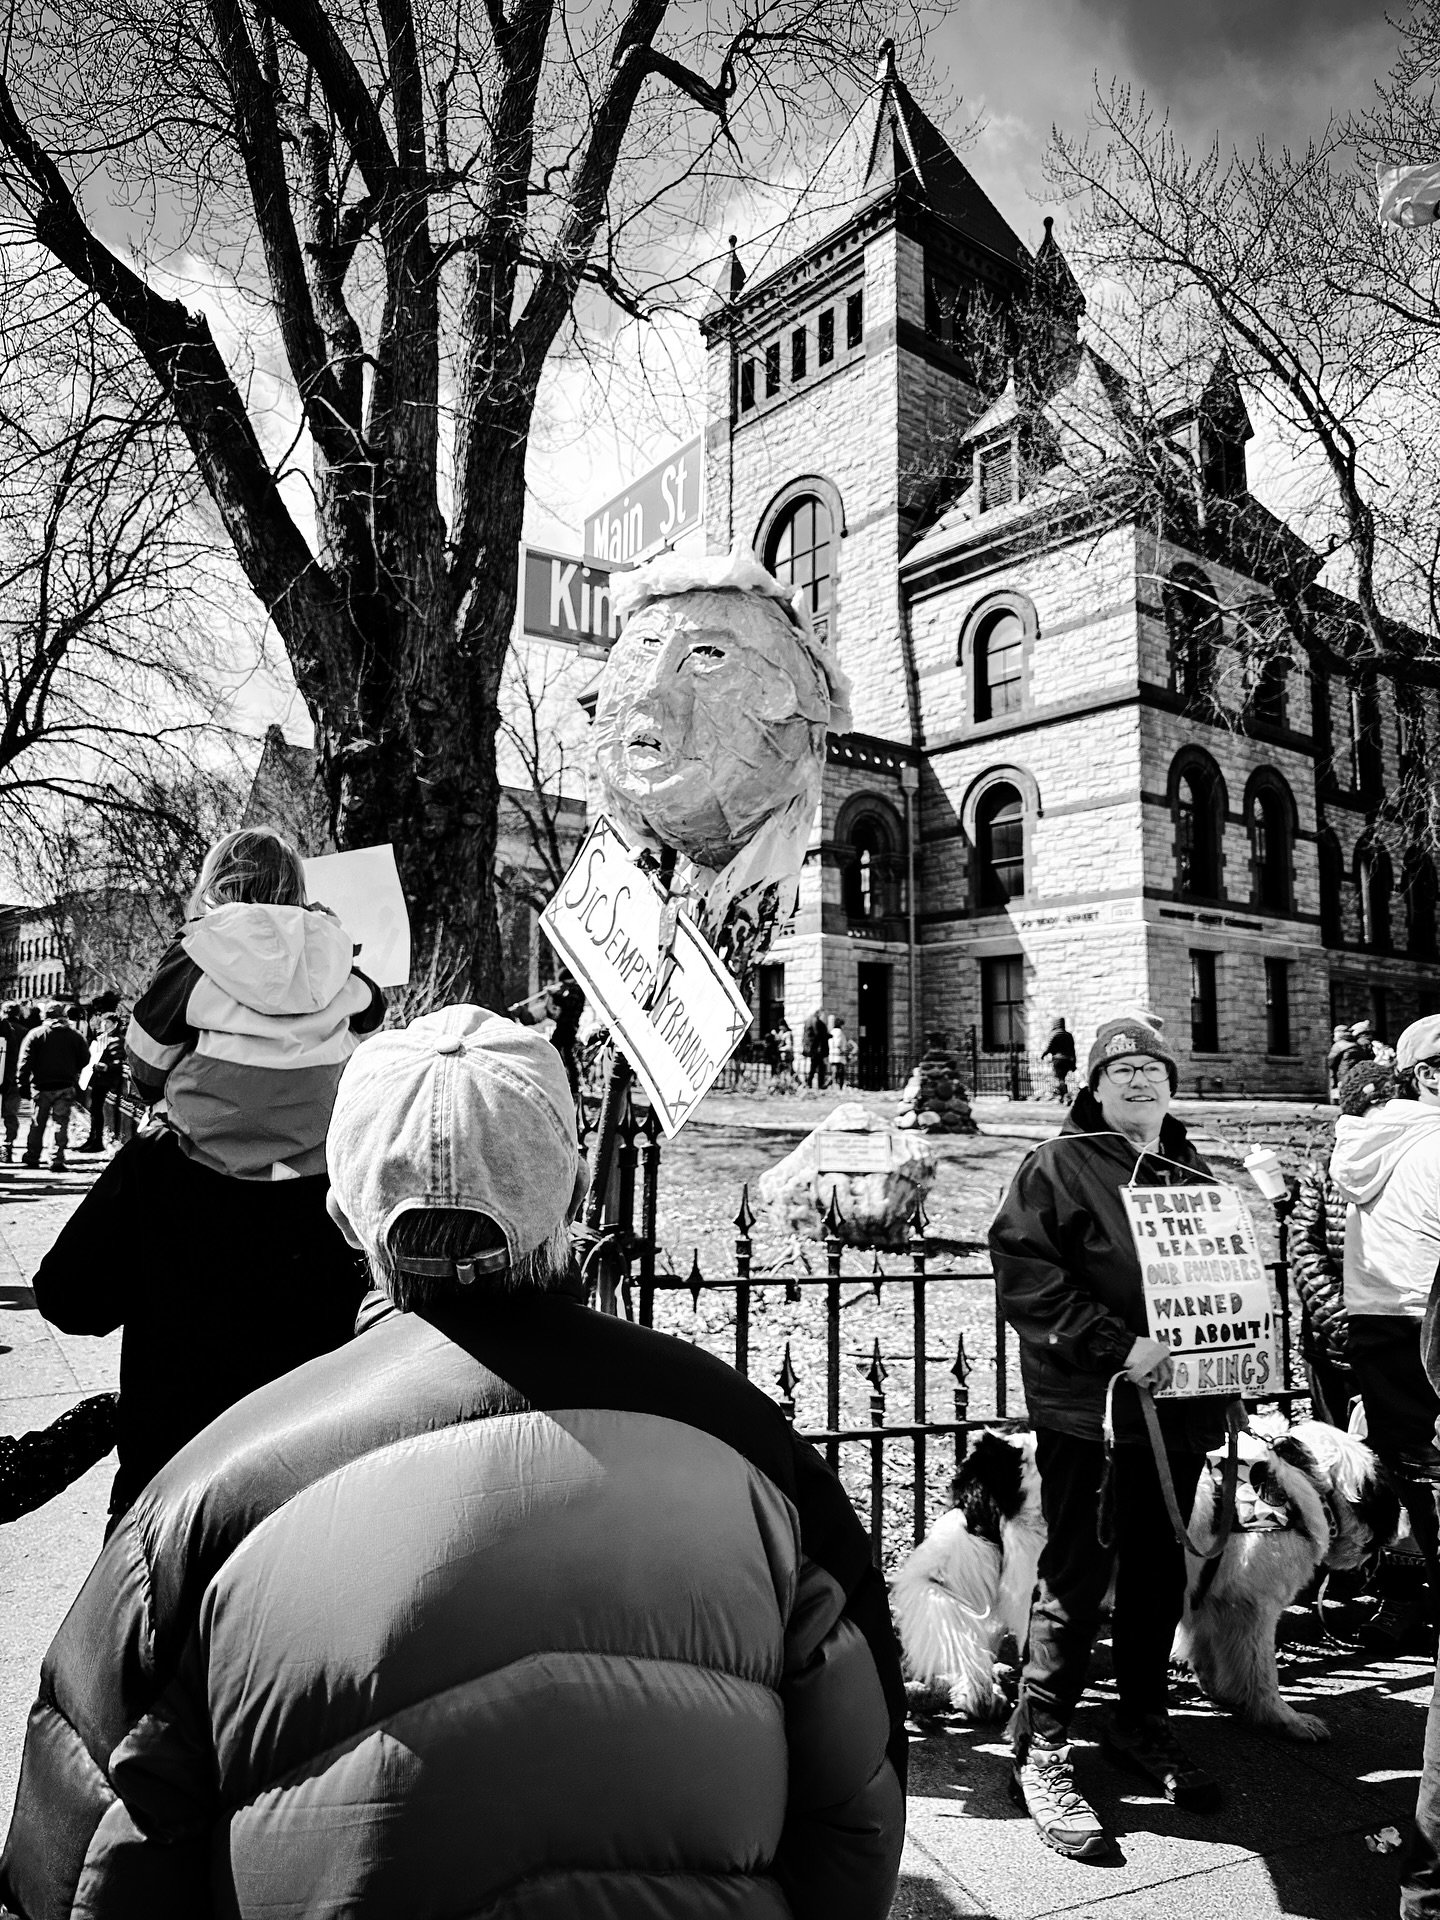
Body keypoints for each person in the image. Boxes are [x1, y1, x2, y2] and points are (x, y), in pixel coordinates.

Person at [0, 1005, 907, 1917]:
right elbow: (858, 1804)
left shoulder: (214, 1492)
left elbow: (86, 1863)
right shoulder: (755, 1449)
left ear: (344, 1214)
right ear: (567, 1190)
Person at [991, 1016, 1236, 1861]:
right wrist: (1114, 1344)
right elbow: (1028, 1278)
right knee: (1078, 1573)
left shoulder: (1187, 1168)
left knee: (1160, 1570)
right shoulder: (1057, 1167)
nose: (1139, 1080)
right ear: (1091, 1088)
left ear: (1174, 1083)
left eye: (1152, 1068)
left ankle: (1141, 1723)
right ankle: (1042, 1743)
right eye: (1119, 1069)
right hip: (1088, 1416)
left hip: (1175, 1414)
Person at [126, 826, 384, 1179]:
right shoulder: (334, 951)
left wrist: (152, 1094)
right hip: (317, 1145)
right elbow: (373, 1018)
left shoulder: (195, 951)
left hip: (208, 1143)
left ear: (215, 881)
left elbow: (146, 1056)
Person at [1330, 1018, 1440, 1651]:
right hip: (1430, 1321)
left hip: (1382, 1319)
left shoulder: (1375, 1138)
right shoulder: (1430, 1142)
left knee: (1411, 1477)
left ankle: (1407, 1599)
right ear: (1426, 1076)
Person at [16, 1003, 89, 1171]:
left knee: (37, 1123)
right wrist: (72, 1068)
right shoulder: (74, 1036)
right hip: (65, 1084)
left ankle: (33, 1156)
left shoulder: (36, 1034)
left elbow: (25, 1062)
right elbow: (85, 1058)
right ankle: (57, 1159)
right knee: (61, 1123)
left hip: (41, 1086)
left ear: (45, 1015)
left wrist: (23, 1083)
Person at [74, 1013, 125, 1155]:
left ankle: (96, 1141)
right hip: (97, 1079)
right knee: (94, 1111)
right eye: (103, 1022)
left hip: (106, 1081)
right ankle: (93, 1139)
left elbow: (119, 1062)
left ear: (115, 1024)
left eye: (107, 1022)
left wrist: (107, 1066)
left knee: (97, 1111)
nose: (103, 1025)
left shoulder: (116, 1040)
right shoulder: (102, 1039)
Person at [543, 966, 585, 1113]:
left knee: (560, 1053)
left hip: (568, 1027)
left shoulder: (576, 990)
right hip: (564, 1026)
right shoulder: (572, 990)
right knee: (563, 1053)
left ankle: (573, 1085)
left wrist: (555, 995)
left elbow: (568, 1004)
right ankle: (570, 1083)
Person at [0, 1000, 26, 1164]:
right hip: (13, 1080)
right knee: (10, 1115)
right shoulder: (24, 1032)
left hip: (5, 1077)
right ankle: (7, 1146)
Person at [1040, 1017, 1077, 1103]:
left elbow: (1049, 1047)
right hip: (1067, 1060)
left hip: (1058, 1060)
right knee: (1062, 1078)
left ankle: (1064, 1096)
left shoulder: (1054, 1034)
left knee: (1060, 1079)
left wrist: (1043, 1055)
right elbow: (1072, 1050)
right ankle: (1063, 1096)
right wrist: (1074, 1063)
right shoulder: (1068, 1035)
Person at [802, 1006, 830, 1090]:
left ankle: (809, 1083)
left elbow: (807, 1036)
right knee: (820, 1067)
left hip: (812, 1048)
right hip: (818, 1048)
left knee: (813, 1066)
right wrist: (828, 1035)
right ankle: (819, 1084)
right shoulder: (817, 1022)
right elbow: (818, 1035)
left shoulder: (807, 1021)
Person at [1325, 1022, 1354, 1103]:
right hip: (1353, 1072)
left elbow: (1330, 1061)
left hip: (1342, 1073)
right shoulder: (1356, 1044)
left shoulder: (1338, 1045)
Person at [831, 1013, 855, 1090]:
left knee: (835, 1071)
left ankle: (835, 1085)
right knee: (840, 1072)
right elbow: (838, 1043)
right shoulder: (839, 1032)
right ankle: (839, 1086)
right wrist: (843, 1051)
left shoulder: (832, 1031)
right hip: (839, 1055)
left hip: (833, 1054)